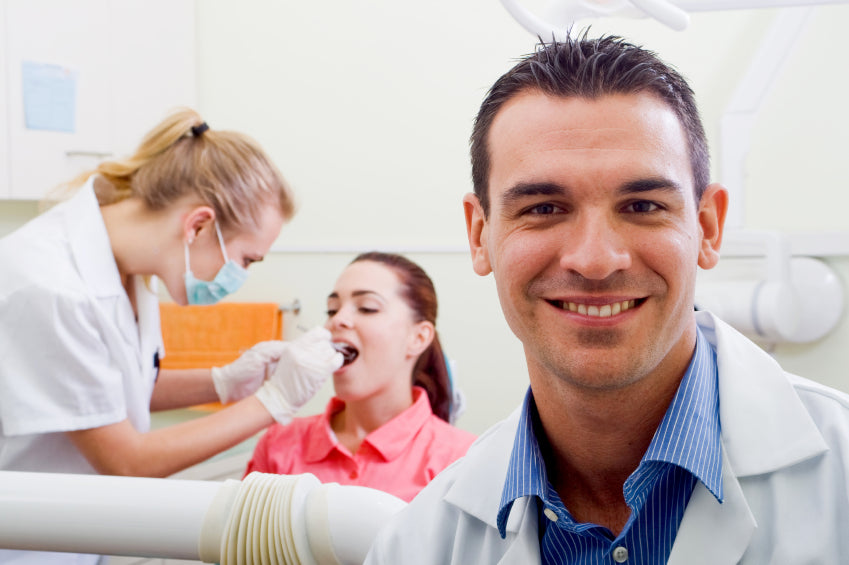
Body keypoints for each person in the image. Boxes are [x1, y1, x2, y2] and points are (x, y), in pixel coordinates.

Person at [365, 33, 849, 564]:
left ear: (708, 228)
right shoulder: (419, 544)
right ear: (480, 236)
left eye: (642, 205)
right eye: (544, 208)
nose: (595, 260)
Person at [0, 108, 342, 564]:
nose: (240, 275)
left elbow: (109, 393)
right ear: (198, 225)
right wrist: (273, 402)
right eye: (247, 259)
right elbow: (126, 462)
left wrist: (221, 381)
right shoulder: (52, 286)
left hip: (71, 533)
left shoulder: (133, 270)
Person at [245, 252, 476, 502]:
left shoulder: (462, 459)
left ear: (418, 338)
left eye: (367, 308)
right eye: (332, 310)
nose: (337, 320)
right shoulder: (277, 444)